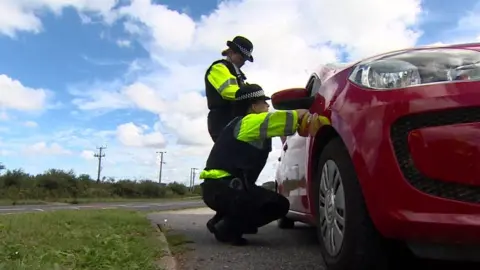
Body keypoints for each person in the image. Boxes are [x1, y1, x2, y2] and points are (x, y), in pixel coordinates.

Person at [199, 83, 312, 246]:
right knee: (278, 205)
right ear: (253, 106)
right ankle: (226, 228)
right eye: (264, 102)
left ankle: (219, 221)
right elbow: (296, 116)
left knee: (255, 196)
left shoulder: (238, 124)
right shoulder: (250, 122)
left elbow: (277, 127)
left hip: (216, 189)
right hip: (226, 190)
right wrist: (311, 111)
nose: (267, 106)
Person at [204, 35, 254, 143]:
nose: (243, 63)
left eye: (245, 60)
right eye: (241, 58)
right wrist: (252, 95)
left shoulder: (238, 75)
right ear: (231, 52)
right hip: (223, 121)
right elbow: (229, 91)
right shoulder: (219, 68)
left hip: (235, 122)